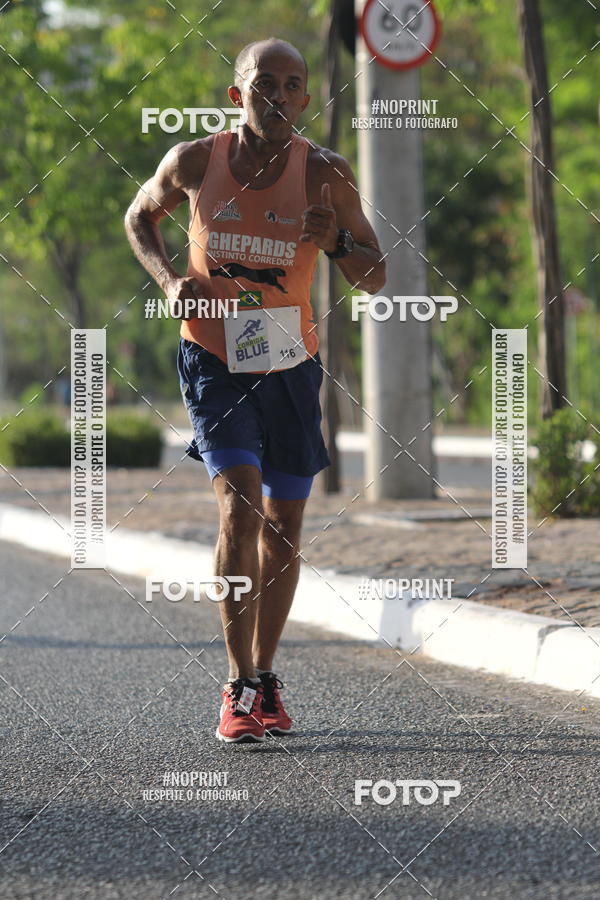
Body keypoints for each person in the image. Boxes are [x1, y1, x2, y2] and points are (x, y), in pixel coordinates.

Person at [125, 37, 386, 742]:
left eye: (293, 84)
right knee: (239, 510)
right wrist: (169, 281)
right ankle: (238, 685)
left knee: (285, 529)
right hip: (213, 359)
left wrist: (334, 245)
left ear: (305, 99)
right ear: (237, 95)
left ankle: (267, 675)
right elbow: (138, 216)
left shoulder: (327, 173)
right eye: (264, 83)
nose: (279, 95)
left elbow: (376, 275)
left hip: (291, 366)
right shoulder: (194, 161)